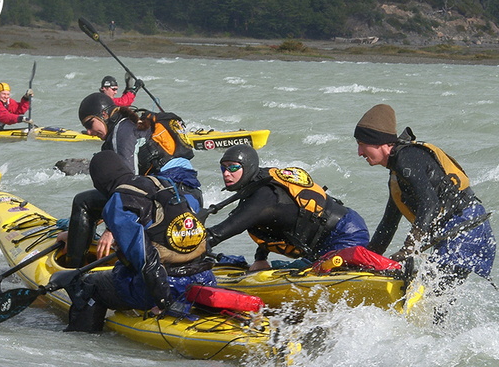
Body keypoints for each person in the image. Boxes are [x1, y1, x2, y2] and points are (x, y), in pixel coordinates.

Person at [354, 104, 496, 318]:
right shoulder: (397, 174)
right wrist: (365, 262)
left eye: (362, 145)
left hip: (466, 230)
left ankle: (442, 336)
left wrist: (409, 247)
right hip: (458, 232)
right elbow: (388, 225)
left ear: (380, 143)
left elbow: (430, 204)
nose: (359, 153)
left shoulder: (407, 159)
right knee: (433, 304)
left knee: (431, 302)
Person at [63, 150, 215, 332]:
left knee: (89, 284)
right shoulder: (163, 183)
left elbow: (145, 259)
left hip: (168, 287)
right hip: (203, 278)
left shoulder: (118, 201)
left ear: (99, 181)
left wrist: (163, 301)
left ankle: (82, 340)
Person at [61, 92, 201, 268]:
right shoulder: (133, 124)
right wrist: (79, 231)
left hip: (167, 198)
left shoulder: (121, 133)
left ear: (104, 114)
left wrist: (111, 230)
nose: (89, 132)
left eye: (90, 124)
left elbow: (127, 188)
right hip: (191, 197)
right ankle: (78, 239)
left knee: (83, 202)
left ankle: (72, 268)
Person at [206, 144, 370, 272]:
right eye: (223, 168)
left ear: (248, 167)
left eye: (233, 167)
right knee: (292, 269)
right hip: (322, 243)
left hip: (346, 232)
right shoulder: (257, 186)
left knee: (309, 275)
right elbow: (268, 224)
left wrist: (196, 245)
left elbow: (222, 231)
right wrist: (260, 259)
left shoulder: (264, 196)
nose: (226, 173)